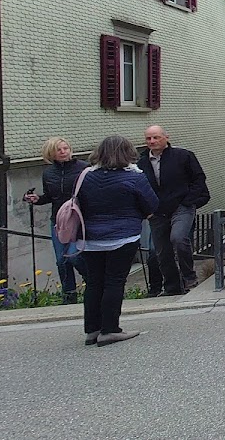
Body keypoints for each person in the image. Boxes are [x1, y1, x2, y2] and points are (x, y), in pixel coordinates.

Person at [78, 135, 158, 346]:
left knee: (94, 282)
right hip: (123, 237)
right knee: (114, 281)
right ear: (127, 152)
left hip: (90, 238)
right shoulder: (134, 177)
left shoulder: (85, 176)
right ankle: (110, 329)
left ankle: (92, 330)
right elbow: (152, 205)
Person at [138, 126, 210, 295]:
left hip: (181, 207)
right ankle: (172, 287)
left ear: (166, 137)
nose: (152, 141)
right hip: (157, 212)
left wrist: (188, 201)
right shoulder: (141, 163)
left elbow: (199, 179)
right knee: (161, 252)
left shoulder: (183, 156)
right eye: (148, 138)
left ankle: (189, 278)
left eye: (156, 137)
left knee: (178, 238)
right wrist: (145, 209)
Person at [23, 137, 90, 304]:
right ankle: (69, 294)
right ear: (51, 153)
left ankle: (93, 281)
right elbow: (50, 197)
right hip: (59, 221)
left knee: (74, 256)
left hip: (80, 219)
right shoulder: (48, 173)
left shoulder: (83, 168)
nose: (63, 152)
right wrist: (36, 199)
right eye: (58, 150)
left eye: (65, 148)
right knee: (61, 260)